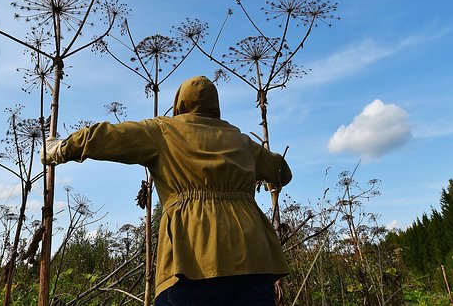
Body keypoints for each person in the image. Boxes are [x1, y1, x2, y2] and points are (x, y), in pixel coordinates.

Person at [42, 75, 292, 306]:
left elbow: (108, 137)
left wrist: (62, 148)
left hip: (194, 258)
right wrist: (268, 180)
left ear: (180, 103)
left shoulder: (164, 131)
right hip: (255, 259)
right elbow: (282, 171)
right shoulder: (242, 141)